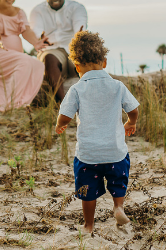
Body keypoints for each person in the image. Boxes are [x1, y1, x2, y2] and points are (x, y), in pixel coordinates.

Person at [55, 31, 140, 234]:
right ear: (104, 62)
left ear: (76, 67)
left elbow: (65, 115)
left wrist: (61, 124)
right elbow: (134, 109)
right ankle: (118, 206)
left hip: (88, 155)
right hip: (115, 152)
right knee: (118, 182)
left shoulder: (76, 89)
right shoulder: (117, 86)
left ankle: (88, 225)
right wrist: (130, 122)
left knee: (88, 192)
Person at [30, 0, 88, 101]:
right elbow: (36, 30)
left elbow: (80, 24)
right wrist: (40, 37)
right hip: (51, 49)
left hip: (72, 47)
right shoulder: (37, 11)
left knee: (85, 59)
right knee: (49, 58)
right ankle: (62, 104)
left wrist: (80, 35)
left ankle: (94, 99)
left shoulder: (76, 7)